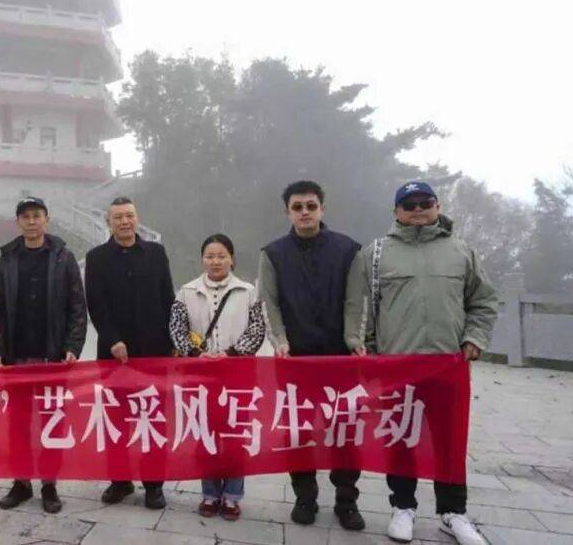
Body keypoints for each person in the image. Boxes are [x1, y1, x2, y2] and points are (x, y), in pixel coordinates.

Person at [348, 181, 497, 545]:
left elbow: (483, 300)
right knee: (401, 437)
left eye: (424, 202)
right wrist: (364, 349)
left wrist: (474, 338)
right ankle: (403, 507)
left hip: (448, 363)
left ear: (437, 205)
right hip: (397, 364)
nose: (417, 209)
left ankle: (453, 513)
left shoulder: (461, 251)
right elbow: (359, 307)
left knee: (449, 439)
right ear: (396, 211)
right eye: (409, 204)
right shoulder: (376, 254)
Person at [256, 180, 367, 531]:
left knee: (344, 431)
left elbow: (355, 299)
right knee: (298, 430)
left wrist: (353, 338)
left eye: (311, 205)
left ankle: (347, 501)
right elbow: (269, 303)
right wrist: (280, 340)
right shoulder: (273, 254)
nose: (305, 212)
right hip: (295, 358)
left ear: (322, 208)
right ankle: (305, 496)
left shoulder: (348, 249)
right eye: (297, 206)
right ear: (287, 211)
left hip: (340, 358)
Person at [0, 197, 87, 514]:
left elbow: (77, 307)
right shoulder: (6, 259)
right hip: (16, 359)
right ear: (18, 222)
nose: (31, 221)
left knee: (51, 422)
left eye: (37, 216)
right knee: (17, 425)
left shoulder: (63, 257)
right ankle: (20, 483)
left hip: (52, 357)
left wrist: (72, 346)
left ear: (47, 219)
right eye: (25, 217)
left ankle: (49, 484)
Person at [168, 233, 266, 521]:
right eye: (210, 256)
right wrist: (197, 353)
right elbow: (176, 328)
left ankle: (233, 496)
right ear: (202, 259)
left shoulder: (248, 291)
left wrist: (233, 354)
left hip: (238, 375)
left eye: (221, 255)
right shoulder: (187, 291)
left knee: (235, 436)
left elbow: (257, 329)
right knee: (205, 435)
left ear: (232, 259)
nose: (216, 261)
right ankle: (210, 493)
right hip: (201, 376)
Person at [84, 196, 174, 510]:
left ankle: (154, 485)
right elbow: (95, 304)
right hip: (114, 354)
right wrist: (112, 340)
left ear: (137, 219)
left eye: (130, 216)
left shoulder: (155, 253)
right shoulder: (96, 258)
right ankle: (120, 480)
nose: (124, 221)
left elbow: (168, 298)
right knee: (116, 419)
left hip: (154, 351)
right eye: (118, 217)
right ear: (109, 222)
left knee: (153, 419)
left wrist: (172, 342)